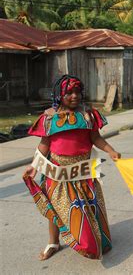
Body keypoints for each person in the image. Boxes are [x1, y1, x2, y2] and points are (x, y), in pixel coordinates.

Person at [23, 75, 120, 260]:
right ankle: (53, 242)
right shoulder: (49, 118)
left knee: (91, 206)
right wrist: (34, 166)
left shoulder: (88, 115)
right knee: (55, 208)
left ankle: (97, 238)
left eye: (77, 92)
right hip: (57, 172)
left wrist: (111, 150)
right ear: (60, 94)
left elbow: (96, 138)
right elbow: (45, 144)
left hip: (82, 172)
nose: (74, 96)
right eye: (69, 93)